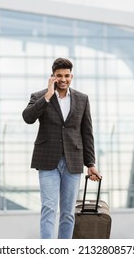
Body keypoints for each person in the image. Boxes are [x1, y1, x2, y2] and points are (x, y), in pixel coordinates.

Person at [22, 57, 101, 239]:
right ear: (53, 77)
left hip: (73, 161)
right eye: (59, 76)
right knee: (49, 208)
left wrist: (91, 163)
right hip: (47, 160)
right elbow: (28, 118)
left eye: (66, 76)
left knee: (67, 212)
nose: (63, 79)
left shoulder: (82, 99)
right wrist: (48, 96)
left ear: (71, 76)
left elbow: (87, 133)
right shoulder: (40, 96)